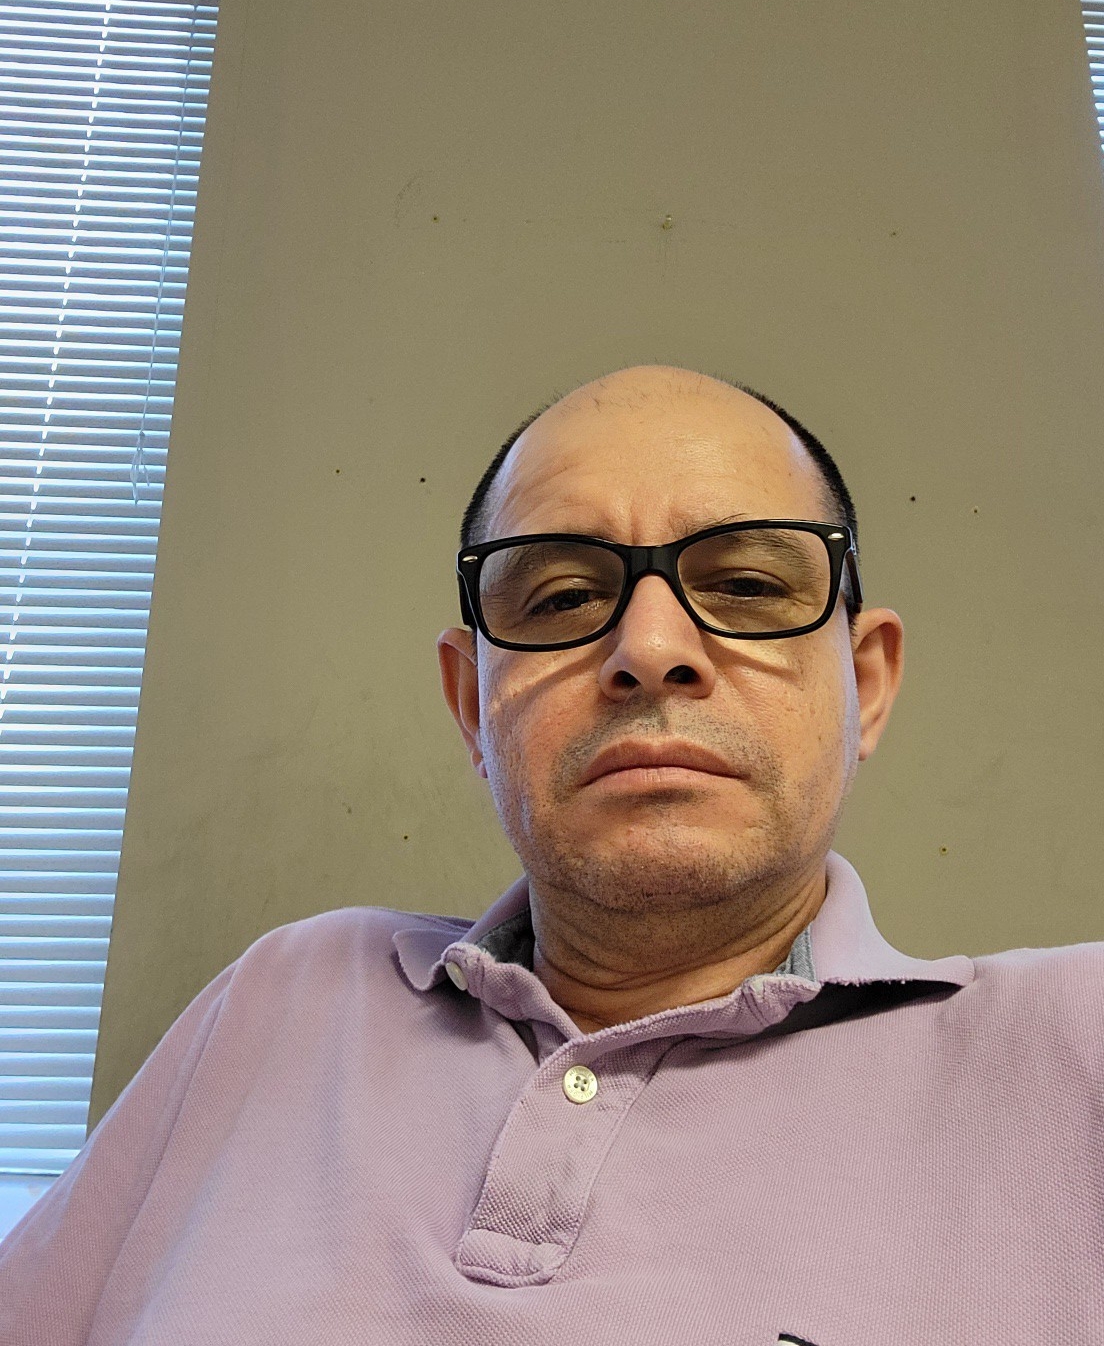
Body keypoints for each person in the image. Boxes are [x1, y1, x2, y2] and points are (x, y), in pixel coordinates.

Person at [1, 364, 1100, 1345]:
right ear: (471, 706)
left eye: (748, 586)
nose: (652, 649)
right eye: (564, 596)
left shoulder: (1073, 1045)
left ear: (865, 682)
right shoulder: (282, 994)